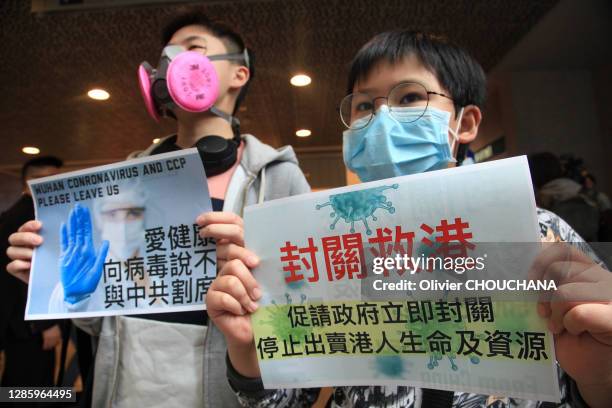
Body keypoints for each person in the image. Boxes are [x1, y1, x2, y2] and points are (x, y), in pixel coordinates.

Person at [203, 31, 612, 407]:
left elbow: (584, 381)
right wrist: (249, 354)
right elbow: (291, 401)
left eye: (410, 97)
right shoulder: (327, 249)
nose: (381, 120)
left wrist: (600, 379)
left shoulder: (539, 232)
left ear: (464, 123)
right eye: (364, 105)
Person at [6, 12, 309, 408]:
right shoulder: (125, 181)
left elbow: (305, 304)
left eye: (192, 49)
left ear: (239, 73)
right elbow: (102, 322)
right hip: (127, 389)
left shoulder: (277, 177)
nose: (170, 65)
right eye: (165, 55)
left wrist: (260, 273)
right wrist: (58, 287)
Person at [0, 156, 63, 387]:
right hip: (26, 324)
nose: (57, 186)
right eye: (50, 181)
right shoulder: (26, 217)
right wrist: (45, 325)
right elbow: (21, 276)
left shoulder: (27, 213)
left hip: (22, 322)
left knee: (22, 381)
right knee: (31, 386)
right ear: (30, 182)